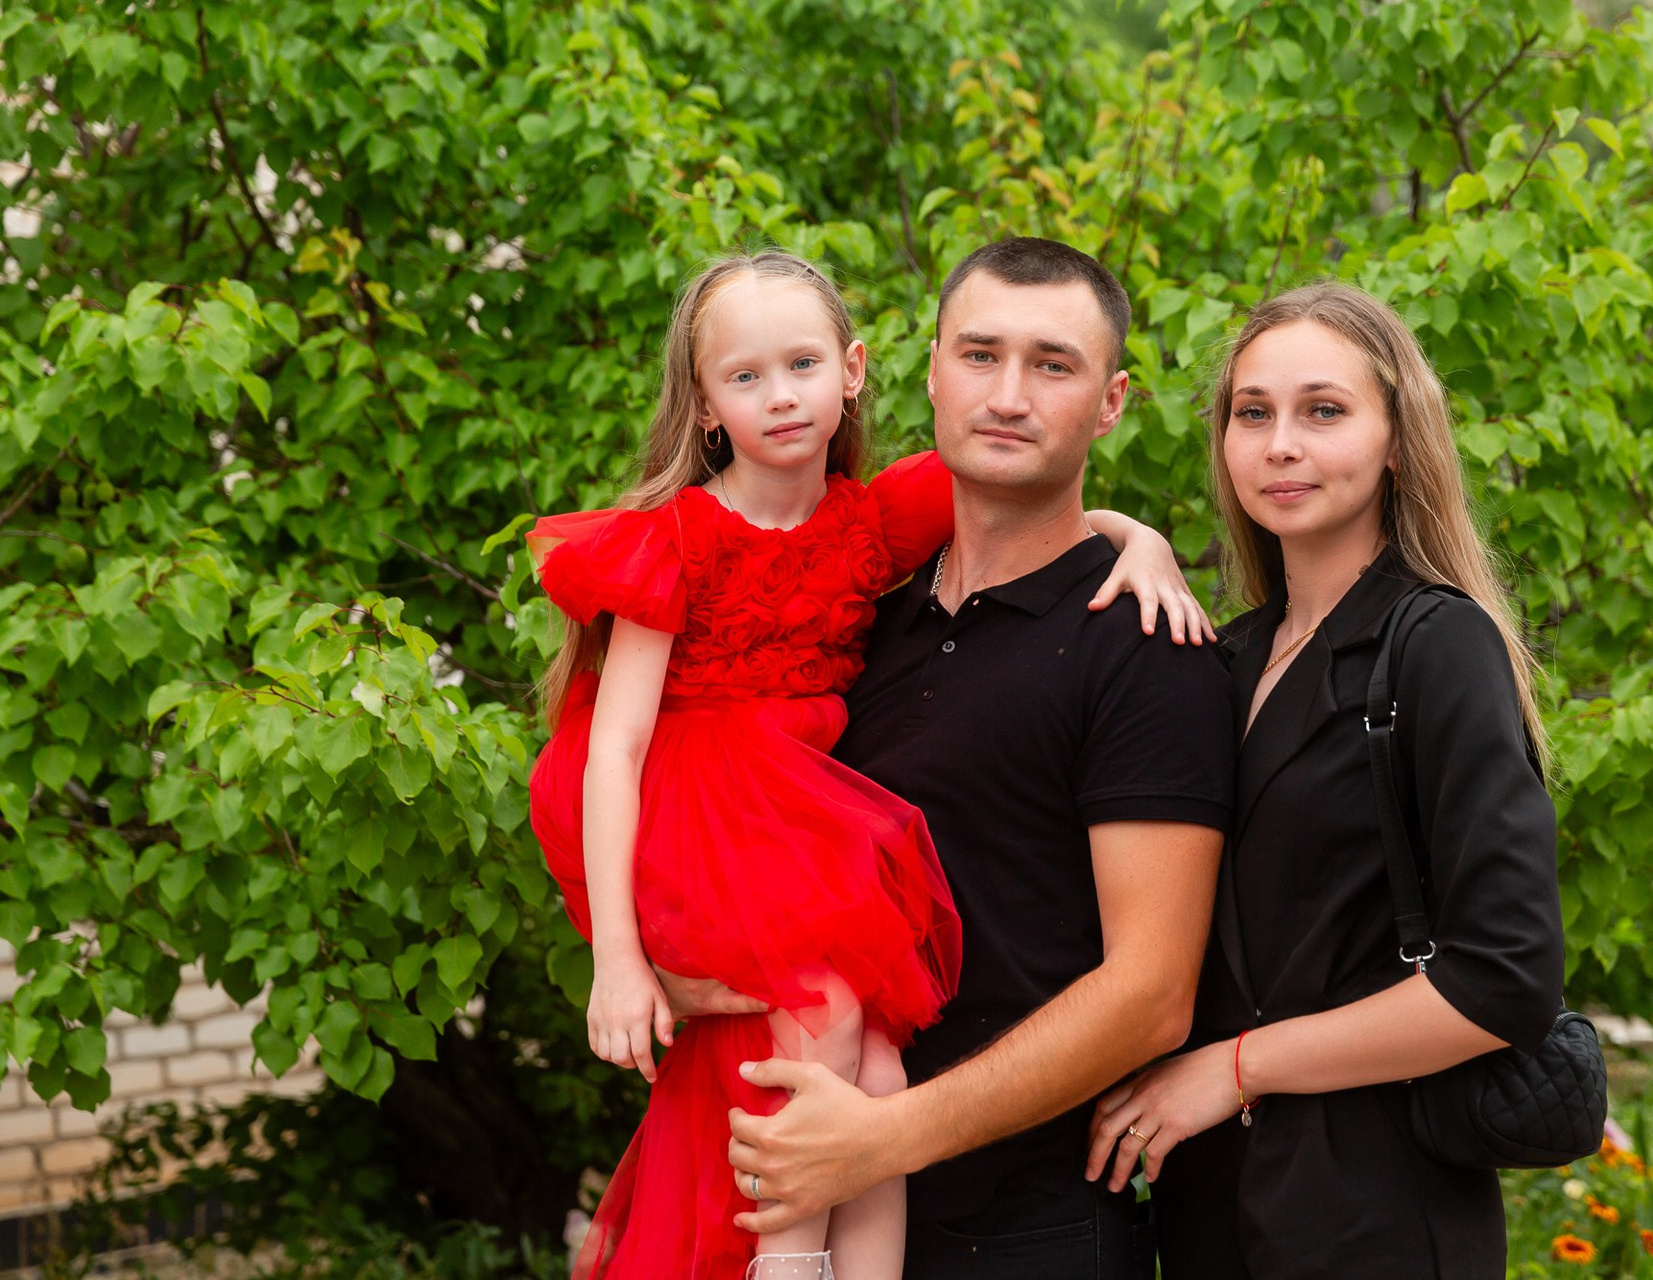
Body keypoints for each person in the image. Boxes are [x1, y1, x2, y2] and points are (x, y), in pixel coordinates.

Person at [524, 249, 1205, 1280]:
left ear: (852, 371)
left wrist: (1137, 539)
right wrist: (624, 958)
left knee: (870, 1065)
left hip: (1024, 1214)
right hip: (712, 825)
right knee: (834, 1021)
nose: (778, 395)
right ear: (704, 405)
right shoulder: (752, 564)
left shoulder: (893, 537)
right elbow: (616, 749)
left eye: (802, 365)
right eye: (745, 376)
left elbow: (1032, 494)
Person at [722, 237, 1237, 1280]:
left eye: (1053, 364)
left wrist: (885, 1134)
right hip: (813, 1212)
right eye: (980, 354)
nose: (1007, 395)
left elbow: (1151, 992)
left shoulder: (1145, 646)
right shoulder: (861, 619)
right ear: (931, 372)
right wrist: (682, 974)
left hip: (1027, 1236)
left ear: (1111, 402)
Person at [1084, 281, 1565, 1279]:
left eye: (1324, 411)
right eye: (1253, 413)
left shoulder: (1436, 644)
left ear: (1398, 441)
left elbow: (1505, 979)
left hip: (1378, 1210)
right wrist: (1131, 535)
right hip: (1214, 1209)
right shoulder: (1225, 657)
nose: (1281, 445)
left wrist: (1236, 1067)